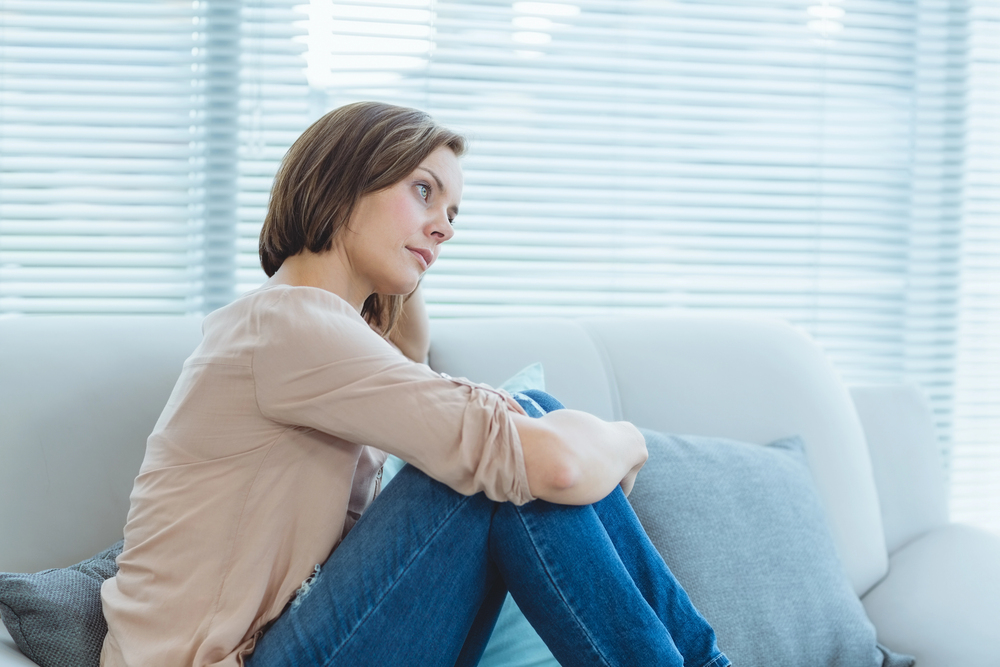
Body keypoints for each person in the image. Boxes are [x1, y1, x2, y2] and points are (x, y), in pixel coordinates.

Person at [99, 101, 730, 667]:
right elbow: (557, 467)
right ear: (343, 182)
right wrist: (624, 438)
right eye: (423, 191)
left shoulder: (311, 335)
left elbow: (408, 361)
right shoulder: (288, 324)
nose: (445, 227)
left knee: (513, 431)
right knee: (511, 450)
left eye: (452, 214)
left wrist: (396, 273)